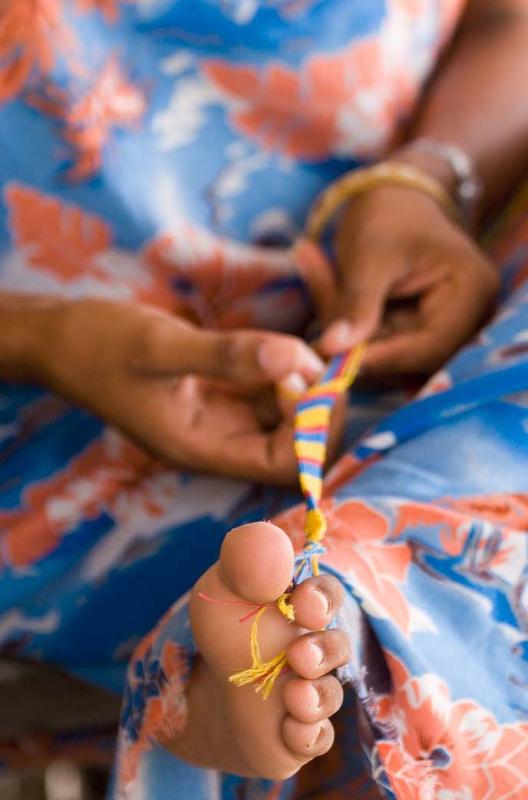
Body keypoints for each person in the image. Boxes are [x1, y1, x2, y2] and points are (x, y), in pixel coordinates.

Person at [0, 1, 527, 798]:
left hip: (439, 327)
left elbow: (506, 21)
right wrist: (42, 338)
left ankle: (279, 652)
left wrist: (425, 178)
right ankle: (313, 633)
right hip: (69, 457)